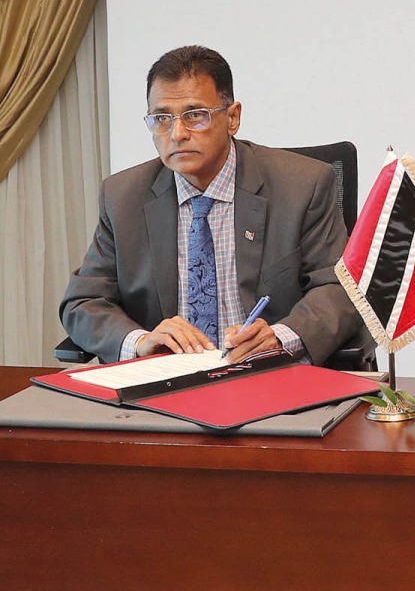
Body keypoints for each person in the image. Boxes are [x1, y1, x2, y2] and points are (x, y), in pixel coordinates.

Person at [61, 45, 368, 365]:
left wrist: (280, 337)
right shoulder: (123, 196)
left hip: (269, 375)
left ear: (232, 117)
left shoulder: (303, 185)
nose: (177, 134)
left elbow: (338, 288)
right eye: (162, 119)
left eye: (195, 115)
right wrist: (141, 342)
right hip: (163, 383)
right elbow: (84, 302)